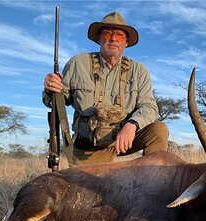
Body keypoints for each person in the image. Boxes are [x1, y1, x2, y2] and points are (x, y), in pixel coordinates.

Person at [43, 11, 169, 165]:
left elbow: (149, 107)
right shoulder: (78, 63)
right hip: (89, 149)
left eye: (119, 35)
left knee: (158, 130)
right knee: (80, 187)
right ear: (99, 38)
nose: (113, 38)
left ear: (126, 42)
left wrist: (132, 125)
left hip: (124, 140)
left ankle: (151, 179)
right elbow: (58, 102)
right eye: (107, 33)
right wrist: (51, 90)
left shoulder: (139, 70)